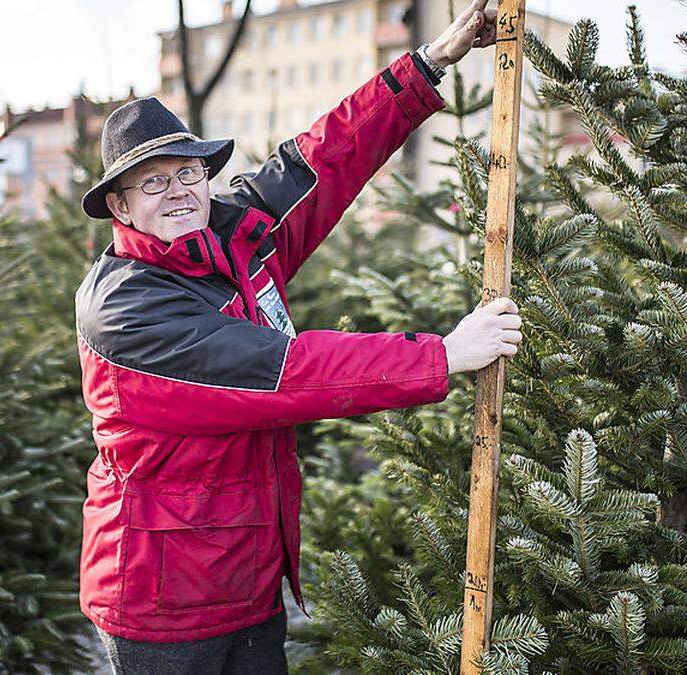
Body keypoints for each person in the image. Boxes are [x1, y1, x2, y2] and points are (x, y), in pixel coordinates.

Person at [74, 1, 518, 672]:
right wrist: (444, 354)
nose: (178, 192)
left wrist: (428, 64)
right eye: (154, 182)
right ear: (120, 205)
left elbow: (323, 160)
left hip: (251, 581)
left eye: (188, 173)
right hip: (163, 600)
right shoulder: (127, 312)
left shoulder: (231, 235)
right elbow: (284, 370)